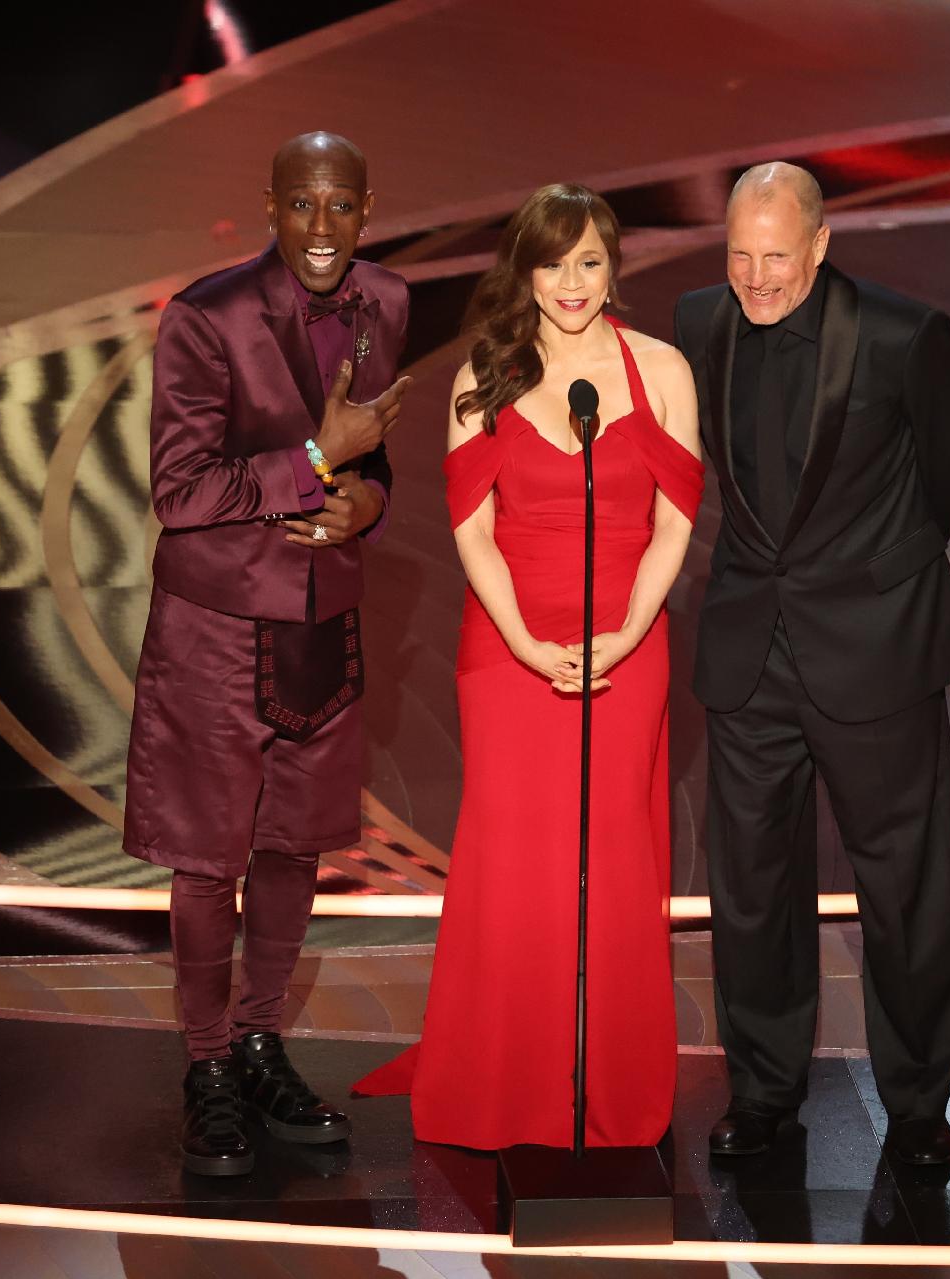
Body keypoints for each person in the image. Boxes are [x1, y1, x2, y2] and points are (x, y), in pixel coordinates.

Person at [354, 184, 703, 1149]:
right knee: (516, 863)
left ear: (613, 266)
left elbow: (676, 519)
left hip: (626, 647)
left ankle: (611, 1082)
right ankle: (503, 1080)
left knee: (616, 856)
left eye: (590, 262)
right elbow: (472, 531)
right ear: (526, 270)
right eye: (554, 264)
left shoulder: (662, 369)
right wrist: (522, 641)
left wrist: (629, 632)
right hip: (510, 653)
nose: (572, 284)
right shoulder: (485, 373)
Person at [671, 163, 950, 1166]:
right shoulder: (699, 323)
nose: (756, 279)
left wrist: (873, 581)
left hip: (875, 649)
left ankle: (921, 1110)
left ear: (819, 245)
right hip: (748, 650)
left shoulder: (902, 335)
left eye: (777, 258)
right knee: (751, 890)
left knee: (906, 892)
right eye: (740, 256)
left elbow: (944, 471)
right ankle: (763, 1097)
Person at [123, 131, 412, 1176]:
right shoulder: (205, 317)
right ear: (274, 205)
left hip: (321, 622)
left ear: (366, 209)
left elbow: (377, 460)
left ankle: (258, 1041)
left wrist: (365, 499)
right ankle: (205, 1066)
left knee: (294, 847)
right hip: (213, 630)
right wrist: (315, 460)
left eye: (343, 206)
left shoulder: (389, 302)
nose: (323, 228)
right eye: (305, 205)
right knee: (211, 858)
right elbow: (181, 491)